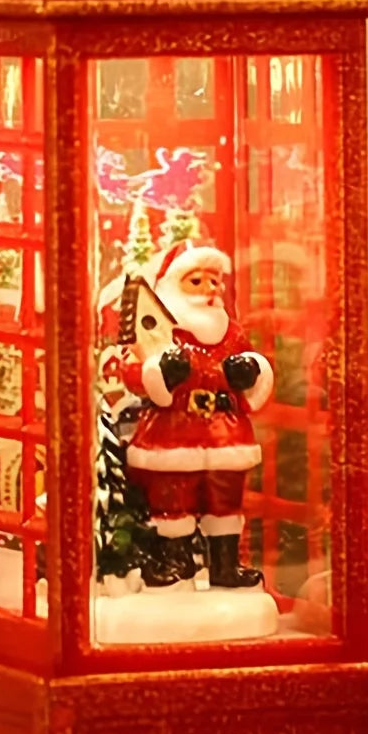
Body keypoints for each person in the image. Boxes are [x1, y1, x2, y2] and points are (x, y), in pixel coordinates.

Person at [120, 241, 273, 590]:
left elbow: (256, 368)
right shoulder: (159, 332)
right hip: (174, 430)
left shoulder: (230, 333)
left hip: (225, 433)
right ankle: (175, 562)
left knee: (225, 502)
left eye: (215, 282)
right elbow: (133, 371)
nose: (210, 290)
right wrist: (159, 371)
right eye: (197, 281)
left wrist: (251, 371)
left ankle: (224, 564)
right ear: (173, 286)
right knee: (173, 499)